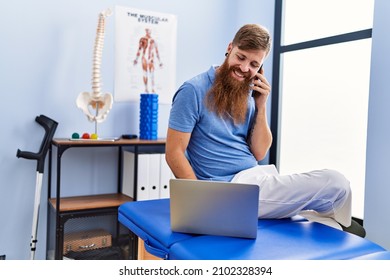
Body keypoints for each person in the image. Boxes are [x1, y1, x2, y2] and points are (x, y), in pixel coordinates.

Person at [165, 24, 365, 237]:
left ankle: (336, 223)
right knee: (336, 182)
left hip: (256, 179)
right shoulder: (193, 90)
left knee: (336, 186)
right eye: (240, 57)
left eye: (253, 64)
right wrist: (202, 203)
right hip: (230, 189)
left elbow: (259, 152)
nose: (244, 68)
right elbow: (174, 152)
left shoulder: (247, 93)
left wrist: (261, 105)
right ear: (230, 47)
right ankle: (341, 224)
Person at [133, 28, 163, 93]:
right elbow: (139, 49)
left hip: (151, 59)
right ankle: (146, 88)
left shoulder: (153, 40)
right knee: (145, 74)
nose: (148, 32)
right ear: (145, 31)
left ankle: (152, 88)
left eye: (149, 31)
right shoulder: (142, 39)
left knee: (152, 74)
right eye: (147, 31)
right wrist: (136, 59)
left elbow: (157, 51)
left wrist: (160, 62)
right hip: (144, 58)